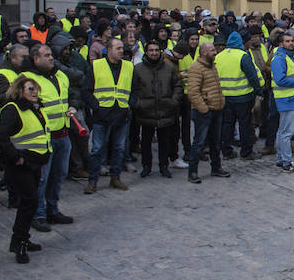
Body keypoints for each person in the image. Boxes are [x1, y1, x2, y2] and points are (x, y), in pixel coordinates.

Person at [0, 75, 51, 264]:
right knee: (29, 201)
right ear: (20, 91)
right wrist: (16, 158)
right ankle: (19, 243)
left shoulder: (36, 108)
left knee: (30, 203)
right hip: (21, 165)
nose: (35, 92)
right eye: (30, 89)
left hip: (34, 163)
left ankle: (22, 239)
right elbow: (1, 136)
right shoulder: (12, 109)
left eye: (36, 89)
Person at [29, 43, 76, 233]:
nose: (51, 58)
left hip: (63, 134)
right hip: (43, 138)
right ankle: (38, 215)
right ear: (36, 59)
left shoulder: (60, 75)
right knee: (42, 179)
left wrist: (74, 106)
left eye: (51, 54)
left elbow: (71, 96)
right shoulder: (29, 80)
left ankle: (52, 209)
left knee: (59, 175)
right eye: (46, 55)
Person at [84, 38, 133, 194]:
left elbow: (135, 88)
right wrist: (96, 106)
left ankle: (115, 177)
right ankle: (93, 180)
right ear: (109, 50)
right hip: (102, 114)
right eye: (118, 48)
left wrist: (132, 103)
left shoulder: (129, 66)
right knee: (97, 149)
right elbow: (86, 90)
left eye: (122, 48)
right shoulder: (97, 66)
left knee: (119, 148)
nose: (121, 51)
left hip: (121, 113)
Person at [132, 39, 182, 178]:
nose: (153, 53)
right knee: (146, 141)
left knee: (164, 141)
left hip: (166, 110)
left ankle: (163, 166)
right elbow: (133, 90)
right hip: (146, 111)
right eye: (151, 50)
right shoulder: (138, 69)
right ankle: (146, 166)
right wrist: (138, 104)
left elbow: (178, 85)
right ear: (146, 52)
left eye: (156, 50)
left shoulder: (169, 67)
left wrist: (174, 101)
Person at [185, 40, 230, 184]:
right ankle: (192, 172)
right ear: (204, 52)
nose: (215, 52)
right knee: (199, 143)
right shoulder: (196, 68)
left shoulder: (212, 66)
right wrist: (204, 109)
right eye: (212, 50)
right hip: (203, 112)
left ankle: (216, 167)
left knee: (215, 142)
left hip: (216, 109)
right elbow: (193, 93)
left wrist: (220, 102)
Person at [215, 31, 261, 161]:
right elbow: (252, 75)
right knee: (244, 125)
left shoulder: (219, 56)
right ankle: (246, 152)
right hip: (242, 97)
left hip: (225, 97)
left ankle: (227, 151)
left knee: (227, 125)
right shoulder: (243, 56)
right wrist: (258, 90)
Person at [271, 30, 294, 172]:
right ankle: (286, 162)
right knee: (286, 132)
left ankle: (281, 159)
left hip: (291, 98)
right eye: (287, 41)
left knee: (282, 131)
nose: (291, 43)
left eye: (292, 41)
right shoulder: (280, 57)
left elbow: (293, 75)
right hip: (287, 99)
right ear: (281, 43)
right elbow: (280, 80)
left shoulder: (291, 56)